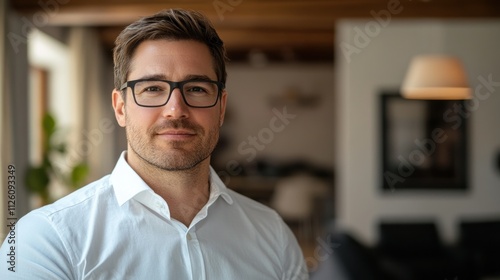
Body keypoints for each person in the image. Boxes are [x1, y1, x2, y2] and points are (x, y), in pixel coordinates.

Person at [0, 8, 308, 280]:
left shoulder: (273, 235)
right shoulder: (47, 239)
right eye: (152, 88)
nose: (176, 109)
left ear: (221, 107)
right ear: (120, 107)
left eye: (197, 88)